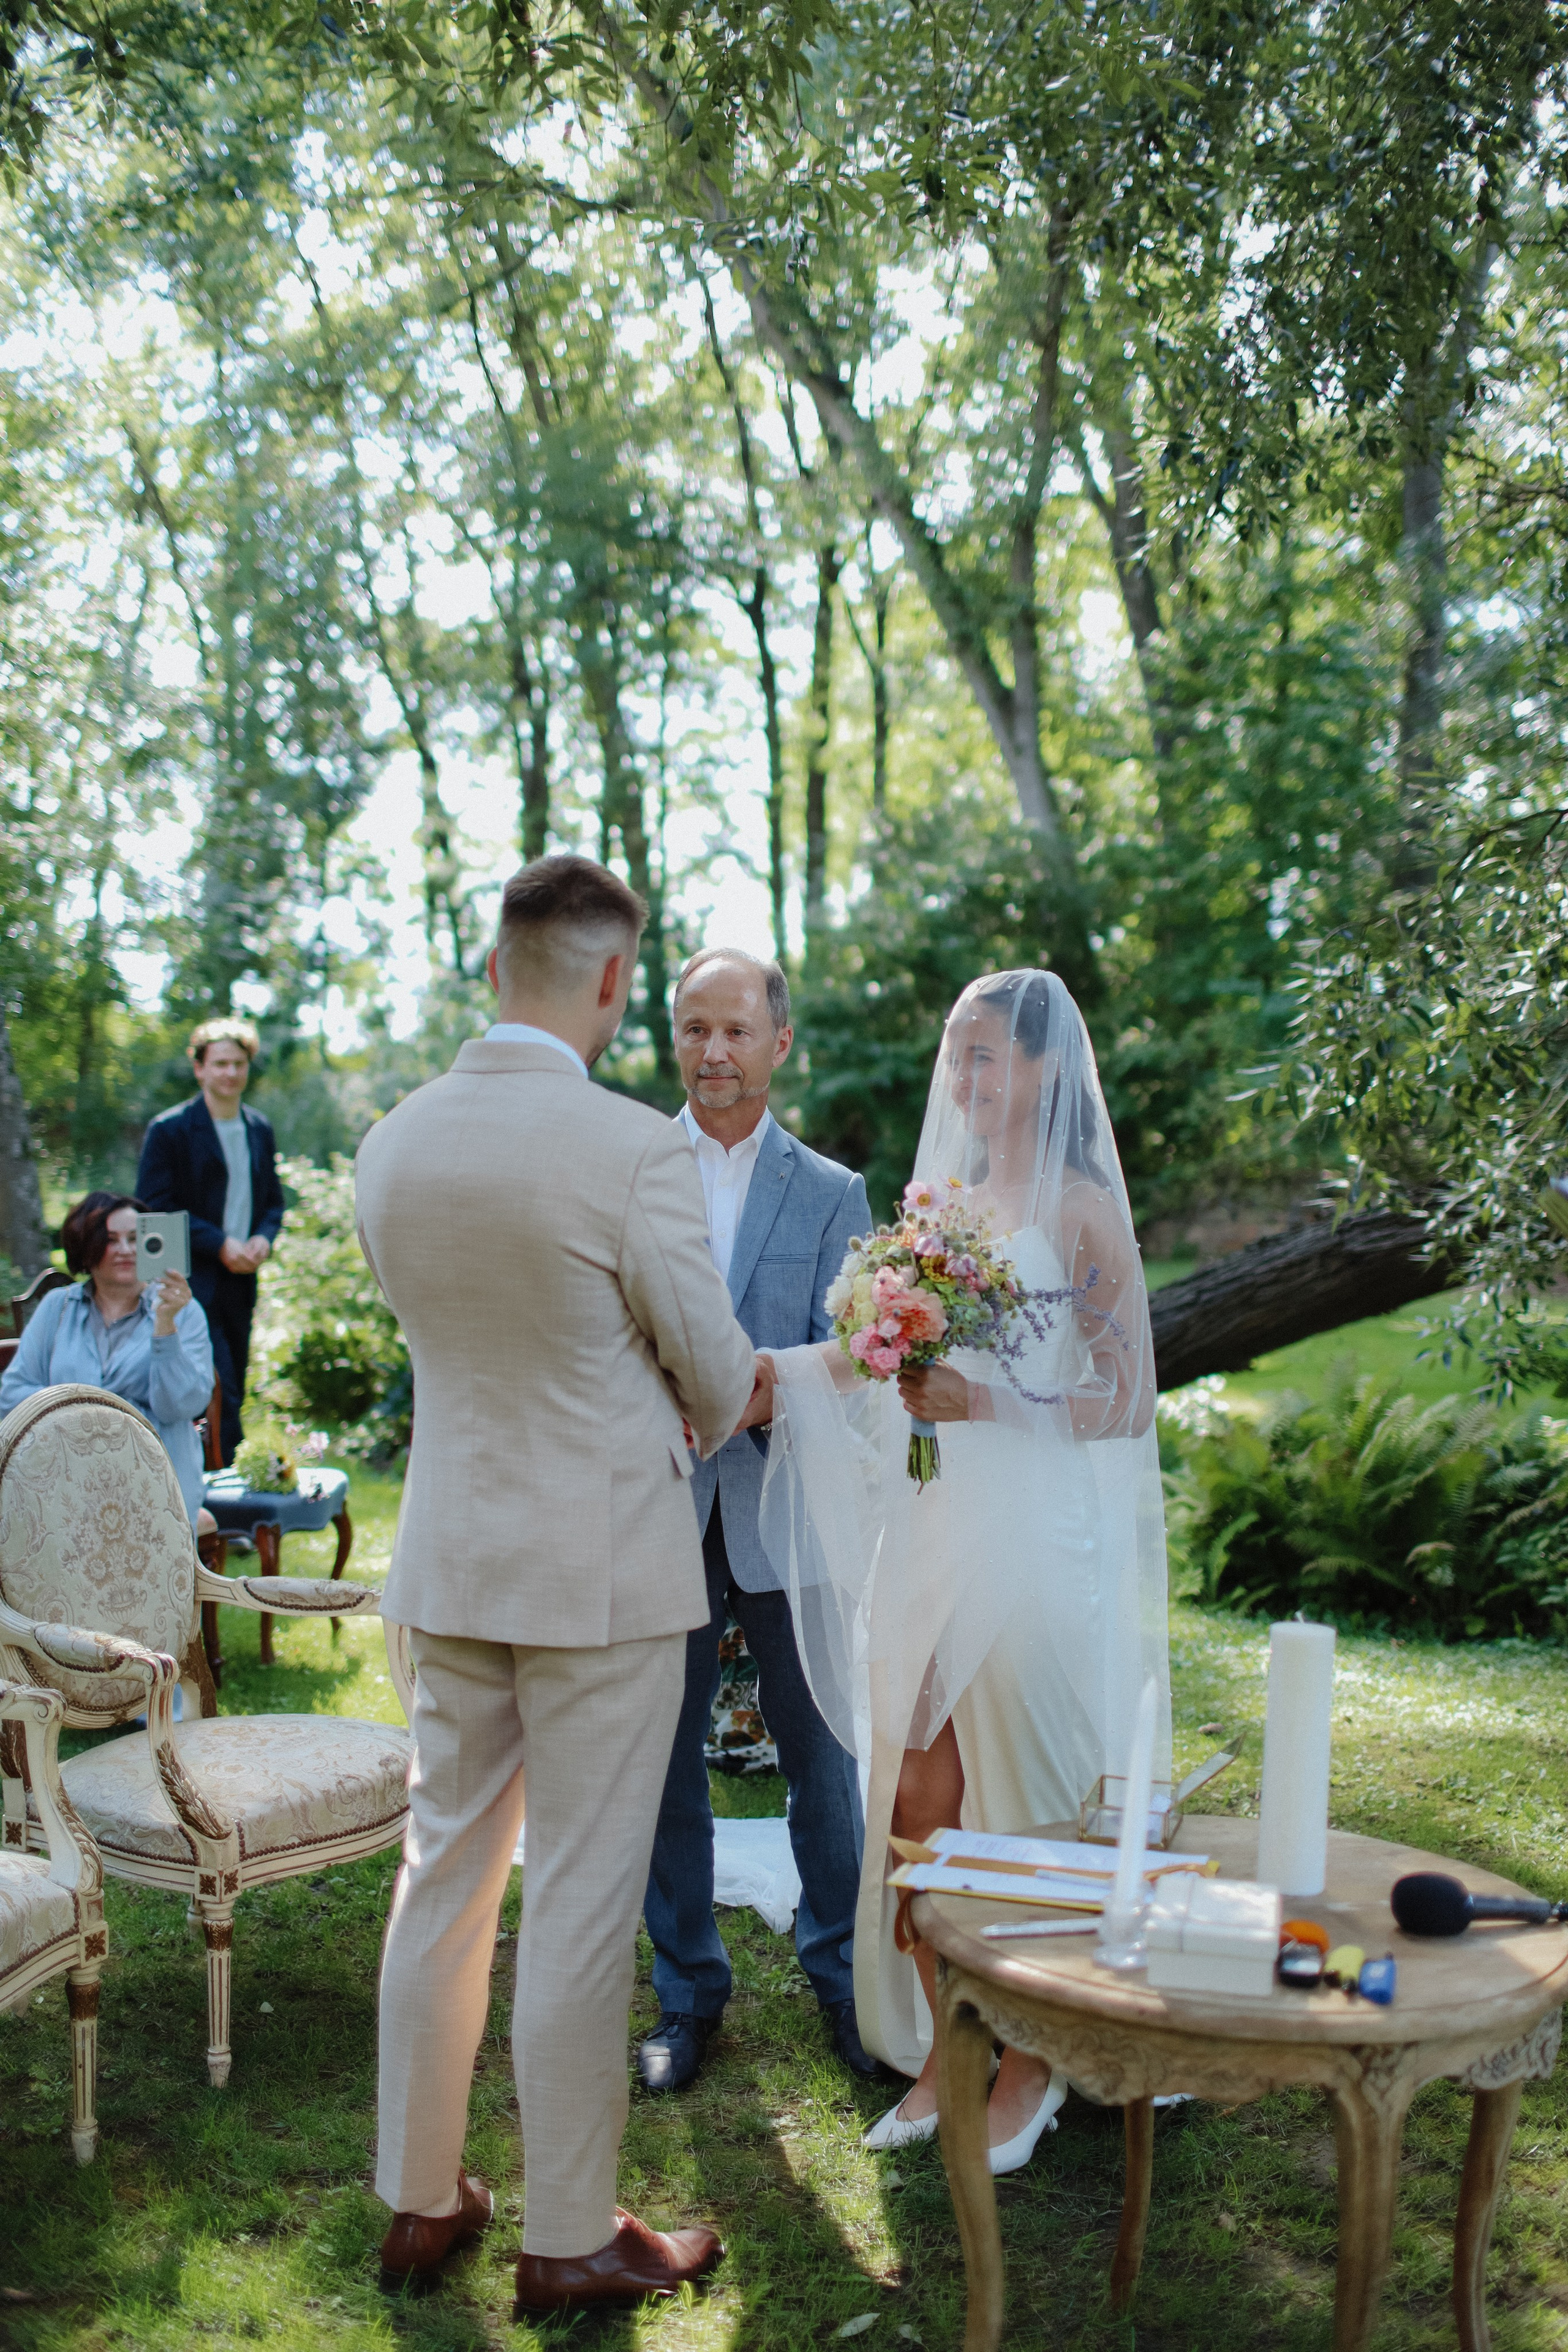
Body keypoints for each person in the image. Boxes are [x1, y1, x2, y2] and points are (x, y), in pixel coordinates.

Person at [356, 854, 766, 2321]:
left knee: (442, 1877)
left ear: (492, 968)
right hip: (600, 1576)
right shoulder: (630, 1148)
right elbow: (718, 1376)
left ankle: (418, 2197)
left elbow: (459, 1341)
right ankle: (570, 2229)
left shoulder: (389, 1144)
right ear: (609, 983)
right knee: (585, 1896)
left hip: (451, 1558)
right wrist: (666, 1383)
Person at [758, 968, 1170, 2173]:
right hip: (934, 1532)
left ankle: (1032, 2062)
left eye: (986, 1053)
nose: (966, 1075)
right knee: (915, 1801)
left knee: (1025, 1804)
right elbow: (868, 1346)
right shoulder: (936, 1205)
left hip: (1035, 1539)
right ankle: (951, 2050)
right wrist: (775, 1377)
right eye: (958, 1053)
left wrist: (981, 1397)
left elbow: (1129, 1393)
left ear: (1043, 1069)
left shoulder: (1082, 1211)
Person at [638, 948, 878, 2095]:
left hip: (790, 1508)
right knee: (660, 1762)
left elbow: (856, 1353)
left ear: (779, 1043)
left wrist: (750, 1385)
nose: (713, 1051)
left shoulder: (832, 1194)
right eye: (694, 1029)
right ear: (672, 1038)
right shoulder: (627, 1169)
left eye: (735, 1030)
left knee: (823, 1760)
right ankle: (688, 1995)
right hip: (657, 1511)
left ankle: (847, 1985)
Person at [0, 1192, 216, 1529]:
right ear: (87, 1246)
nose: (126, 1250)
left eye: (136, 1239)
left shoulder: (184, 1312)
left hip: (156, 1487)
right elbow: (11, 1393)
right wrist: (81, 1413)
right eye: (111, 1240)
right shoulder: (57, 1308)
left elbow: (180, 1406)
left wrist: (165, 1328)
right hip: (65, 1484)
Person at [136, 1018, 285, 1464]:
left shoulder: (259, 1128)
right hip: (186, 1281)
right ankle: (219, 1495)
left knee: (233, 1380)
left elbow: (274, 1203)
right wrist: (220, 1242)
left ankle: (222, 1497)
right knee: (213, 1385)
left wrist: (263, 1237)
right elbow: (152, 1208)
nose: (231, 1073)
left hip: (241, 1280)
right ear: (199, 1069)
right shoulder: (170, 1130)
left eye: (239, 1064)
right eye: (220, 1063)